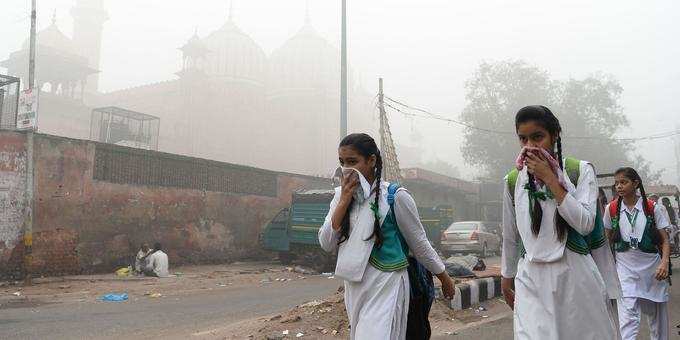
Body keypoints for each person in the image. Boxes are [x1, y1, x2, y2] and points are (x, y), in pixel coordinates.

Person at [318, 133, 455, 340]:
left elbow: (419, 244)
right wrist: (344, 201)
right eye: (342, 162)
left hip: (387, 283)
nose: (346, 169)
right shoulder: (340, 196)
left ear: (371, 160)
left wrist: (444, 277)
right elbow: (326, 242)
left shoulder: (395, 197)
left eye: (353, 162)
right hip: (355, 286)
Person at [501, 105, 617, 339]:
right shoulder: (512, 180)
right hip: (530, 278)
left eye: (538, 137)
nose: (530, 147)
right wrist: (507, 276)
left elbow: (585, 224)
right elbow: (511, 236)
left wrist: (551, 180)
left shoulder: (579, 171)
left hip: (574, 276)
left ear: (555, 136)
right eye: (523, 139)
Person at [603, 167, 671, 340]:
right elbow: (607, 241)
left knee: (658, 321)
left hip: (653, 271)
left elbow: (664, 240)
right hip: (625, 271)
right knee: (628, 318)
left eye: (623, 182)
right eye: (616, 183)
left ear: (636, 183)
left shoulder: (652, 208)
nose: (619, 186)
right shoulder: (611, 210)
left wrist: (664, 263)